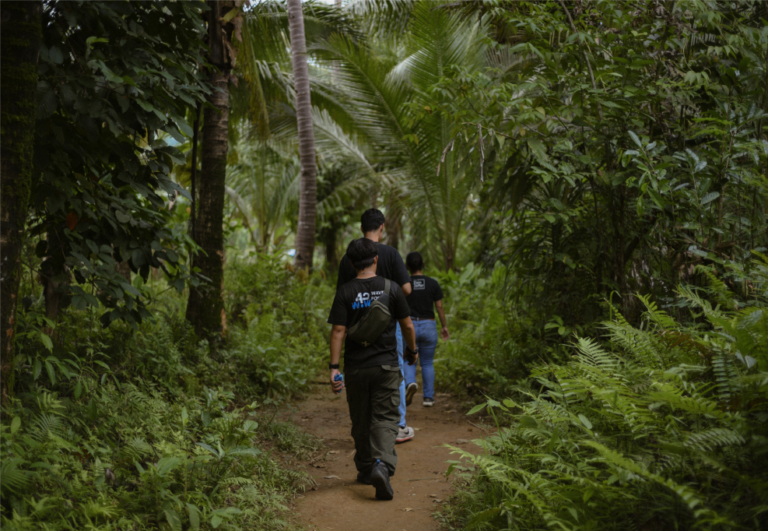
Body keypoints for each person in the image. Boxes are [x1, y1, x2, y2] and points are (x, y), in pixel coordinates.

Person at [328, 238, 419, 500]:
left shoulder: (345, 291)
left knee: (361, 417)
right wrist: (411, 352)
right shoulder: (391, 289)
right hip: (386, 366)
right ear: (376, 260)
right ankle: (381, 465)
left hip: (356, 368)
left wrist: (334, 368)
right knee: (386, 417)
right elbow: (408, 326)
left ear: (352, 263)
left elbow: (338, 331)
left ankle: (367, 467)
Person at [337, 209, 416, 443]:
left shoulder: (347, 258)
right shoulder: (390, 254)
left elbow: (341, 294)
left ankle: (369, 427)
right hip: (388, 323)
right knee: (394, 372)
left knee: (362, 373)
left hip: (355, 326)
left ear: (362, 228)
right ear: (382, 227)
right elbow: (407, 289)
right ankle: (397, 425)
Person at [403, 252, 449, 408]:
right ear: (422, 264)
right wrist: (444, 326)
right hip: (429, 325)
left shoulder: (404, 283)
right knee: (427, 363)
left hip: (409, 327)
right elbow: (439, 307)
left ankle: (410, 383)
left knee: (408, 359)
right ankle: (428, 398)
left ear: (407, 266)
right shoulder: (432, 283)